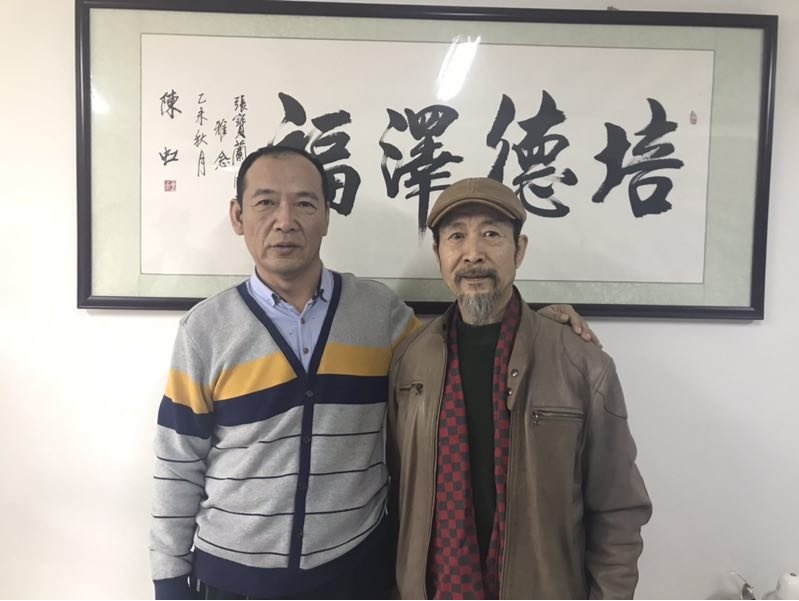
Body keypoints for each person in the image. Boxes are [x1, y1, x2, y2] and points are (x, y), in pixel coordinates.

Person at [150, 146, 596, 599]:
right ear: (238, 215)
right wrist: (169, 583)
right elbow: (177, 465)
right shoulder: (204, 330)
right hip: (233, 580)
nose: (285, 221)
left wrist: (536, 328)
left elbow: (457, 350)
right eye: (266, 202)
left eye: (305, 203)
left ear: (327, 216)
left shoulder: (378, 313)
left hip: (355, 574)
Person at [387, 177, 652, 599]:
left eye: (491, 234)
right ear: (438, 254)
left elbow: (618, 510)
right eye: (456, 236)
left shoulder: (580, 364)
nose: (473, 253)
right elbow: (397, 496)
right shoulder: (409, 363)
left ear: (519, 250)